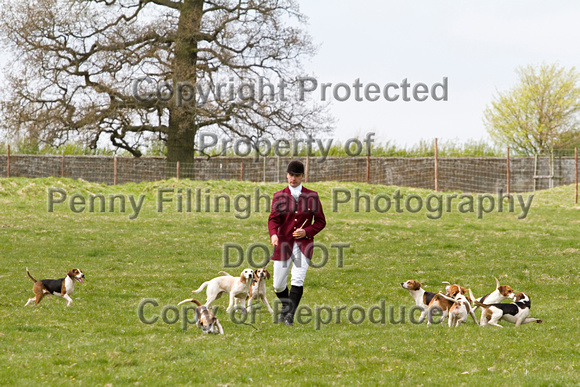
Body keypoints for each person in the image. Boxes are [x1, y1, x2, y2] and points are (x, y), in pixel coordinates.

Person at [268, 160, 326, 326]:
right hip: (283, 244)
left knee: (297, 279)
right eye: (291, 175)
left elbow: (321, 221)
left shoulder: (312, 196)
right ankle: (286, 307)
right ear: (287, 175)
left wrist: (306, 231)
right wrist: (273, 234)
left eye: (297, 175)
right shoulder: (279, 196)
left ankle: (289, 316)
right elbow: (273, 219)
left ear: (303, 177)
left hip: (303, 246)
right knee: (278, 284)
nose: (293, 178)